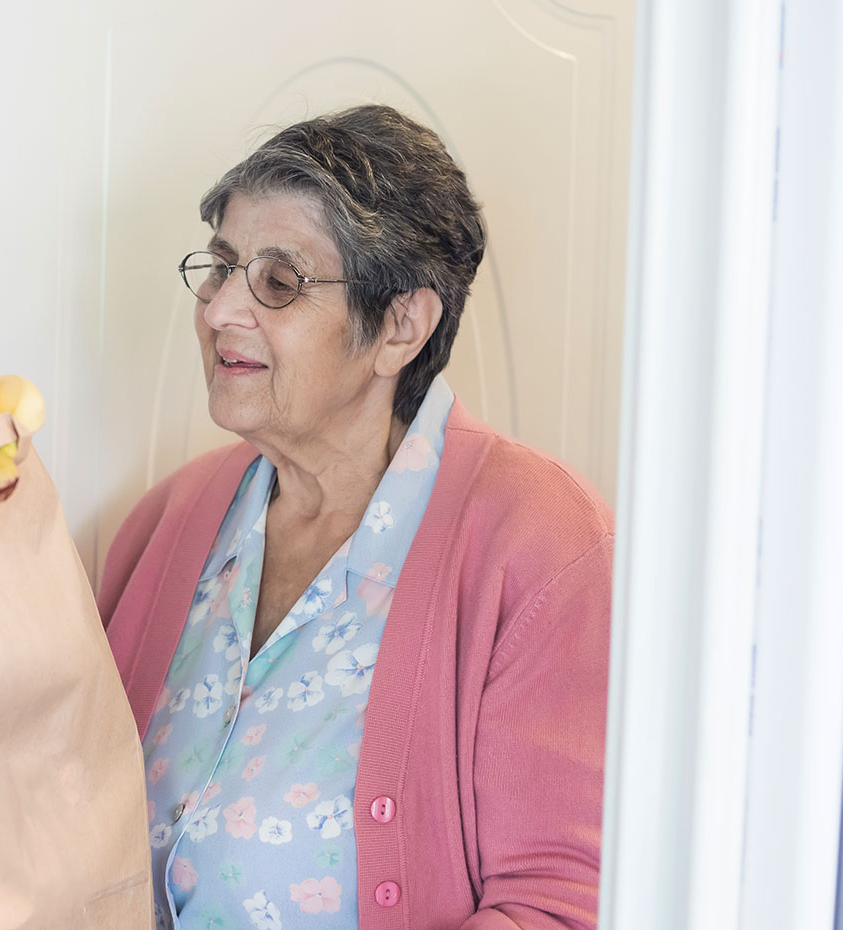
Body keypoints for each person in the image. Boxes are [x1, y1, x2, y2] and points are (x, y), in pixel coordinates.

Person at [98, 105, 613, 930]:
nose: (222, 309)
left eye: (276, 281)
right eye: (221, 266)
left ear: (401, 326)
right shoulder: (170, 521)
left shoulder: (543, 543)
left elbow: (559, 905)